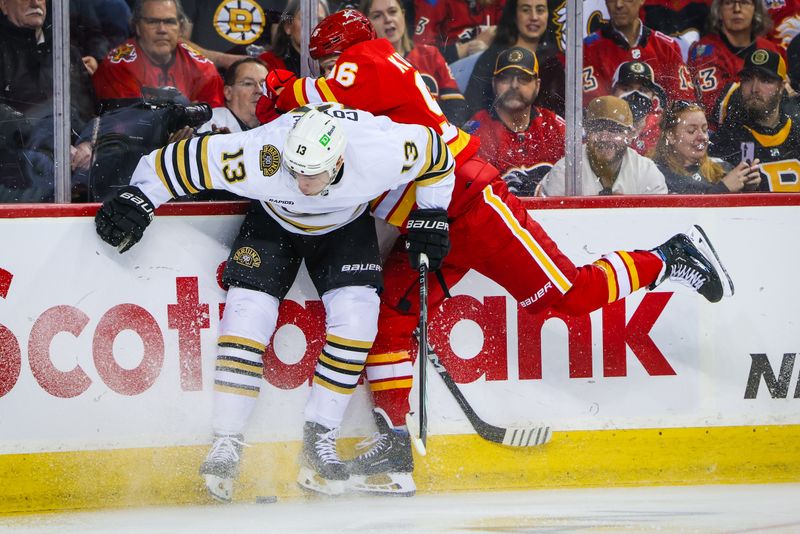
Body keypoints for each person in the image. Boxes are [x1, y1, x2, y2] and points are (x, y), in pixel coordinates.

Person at [265, 10, 733, 497]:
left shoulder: (366, 58)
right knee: (390, 315)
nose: (322, 71)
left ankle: (670, 257)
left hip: (472, 205)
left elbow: (305, 98)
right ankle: (395, 448)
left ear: (342, 50)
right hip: (435, 217)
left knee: (567, 295)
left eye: (324, 61)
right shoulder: (373, 69)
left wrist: (274, 84)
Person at [93, 103, 456, 501]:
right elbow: (172, 164)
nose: (301, 181)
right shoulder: (260, 155)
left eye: (312, 173)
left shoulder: (378, 150)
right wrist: (138, 197)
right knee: (246, 314)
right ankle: (226, 441)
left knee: (359, 319)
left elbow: (438, 155)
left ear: (336, 162)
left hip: (345, 224)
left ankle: (321, 439)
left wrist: (433, 213)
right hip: (273, 220)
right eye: (295, 170)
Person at [0, 0, 96, 202]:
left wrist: (88, 143)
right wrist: (49, 139)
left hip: (74, 171)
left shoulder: (67, 52)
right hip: (16, 172)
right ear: (4, 5)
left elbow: (90, 112)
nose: (36, 2)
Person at [92, 0, 224, 110]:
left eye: (169, 22)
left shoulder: (203, 69)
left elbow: (216, 121)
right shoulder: (118, 66)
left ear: (181, 27)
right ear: (137, 26)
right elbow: (128, 122)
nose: (162, 30)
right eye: (152, 22)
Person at [468, 47, 565, 196]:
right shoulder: (474, 135)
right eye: (506, 78)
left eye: (524, 78)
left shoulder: (556, 127)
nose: (514, 85)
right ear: (494, 84)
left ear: (537, 85)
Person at [360, 0, 470, 126]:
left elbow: (456, 106)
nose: (387, 19)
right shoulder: (366, 68)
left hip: (440, 137)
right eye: (377, 16)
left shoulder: (430, 54)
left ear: (403, 14)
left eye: (392, 12)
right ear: (367, 25)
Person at [710, 48, 800, 192]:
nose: (754, 88)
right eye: (747, 80)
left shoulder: (796, 132)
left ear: (782, 86)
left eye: (765, 80)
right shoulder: (725, 141)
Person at [538, 96, 668, 195]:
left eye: (614, 130)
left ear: (629, 135)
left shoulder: (646, 172)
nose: (605, 138)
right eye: (597, 128)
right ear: (587, 131)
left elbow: (658, 223)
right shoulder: (566, 171)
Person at [582, 0, 696, 106]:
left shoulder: (667, 47)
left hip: (661, 126)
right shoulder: (589, 48)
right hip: (611, 126)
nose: (618, 5)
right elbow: (596, 107)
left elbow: (682, 103)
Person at [463, 0, 565, 117]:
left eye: (540, 10)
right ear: (514, 15)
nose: (534, 17)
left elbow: (562, 110)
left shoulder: (552, 61)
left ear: (548, 15)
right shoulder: (494, 56)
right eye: (525, 10)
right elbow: (473, 106)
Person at [687, 0, 779, 129]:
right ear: (718, 10)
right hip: (721, 134)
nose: (737, 9)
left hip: (767, 129)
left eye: (744, 2)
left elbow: (785, 92)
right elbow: (715, 106)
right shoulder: (704, 51)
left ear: (755, 9)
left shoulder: (769, 48)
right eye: (729, 3)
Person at [651, 100, 762, 193]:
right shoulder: (654, 173)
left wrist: (748, 190)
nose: (702, 137)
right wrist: (723, 189)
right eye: (691, 131)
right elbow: (678, 216)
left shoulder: (723, 168)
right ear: (671, 136)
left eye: (704, 130)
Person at [181, 0, 273, 70]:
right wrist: (221, 60)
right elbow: (177, 42)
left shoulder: (282, 5)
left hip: (263, 75)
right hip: (206, 73)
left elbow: (282, 45)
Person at [413, 0, 503, 63]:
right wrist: (466, 48)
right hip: (449, 69)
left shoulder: (498, 3)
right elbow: (420, 55)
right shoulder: (432, 2)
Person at [259, 0, 330, 77]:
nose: (313, 26)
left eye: (319, 20)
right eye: (305, 19)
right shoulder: (268, 62)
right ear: (288, 26)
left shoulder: (336, 63)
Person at [197, 57, 269, 133]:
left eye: (264, 85)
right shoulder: (212, 122)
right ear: (228, 92)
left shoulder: (276, 128)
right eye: (248, 83)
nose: (260, 90)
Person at [610, 60, 664, 156]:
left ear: (653, 96)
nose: (635, 95)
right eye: (626, 89)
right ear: (613, 93)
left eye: (642, 90)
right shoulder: (601, 128)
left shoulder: (662, 129)